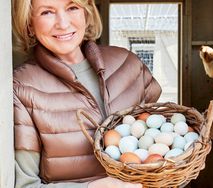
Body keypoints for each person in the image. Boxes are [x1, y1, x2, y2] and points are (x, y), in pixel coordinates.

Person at [12, 0, 161, 187]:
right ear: (29, 25)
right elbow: (26, 185)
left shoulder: (128, 64)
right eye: (47, 12)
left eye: (72, 7)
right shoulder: (22, 88)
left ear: (87, 13)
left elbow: (164, 141)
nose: (63, 23)